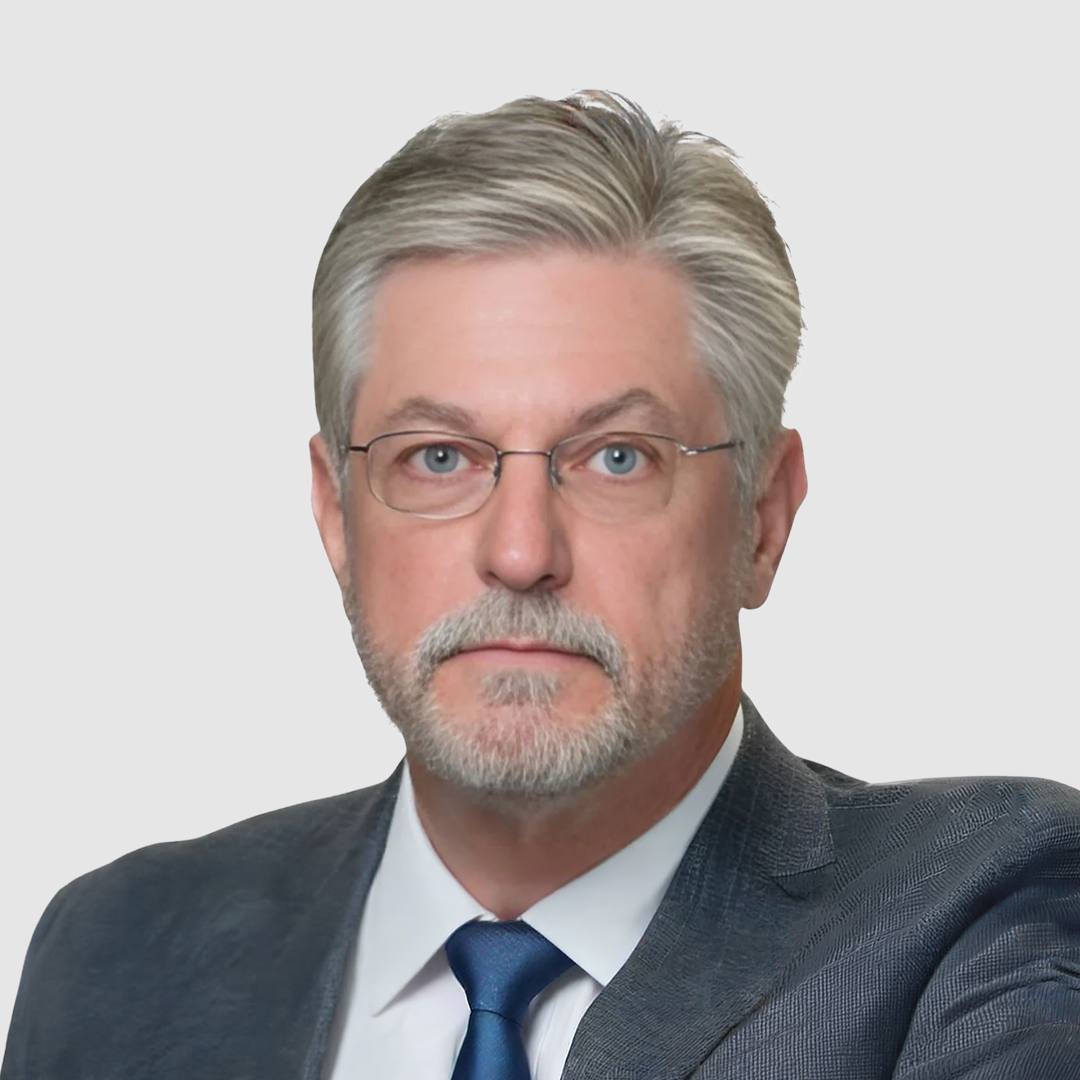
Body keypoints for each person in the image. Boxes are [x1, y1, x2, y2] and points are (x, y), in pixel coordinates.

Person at [3, 90, 1079, 1080]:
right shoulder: (117, 949)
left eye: (618, 458)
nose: (520, 554)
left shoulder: (989, 909)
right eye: (438, 458)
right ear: (338, 514)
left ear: (761, 517)